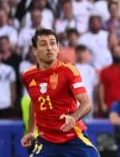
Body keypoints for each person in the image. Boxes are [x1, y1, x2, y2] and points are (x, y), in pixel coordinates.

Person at [20, 28, 99, 157]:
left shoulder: (68, 71)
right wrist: (30, 131)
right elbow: (34, 102)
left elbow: (87, 103)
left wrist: (73, 118)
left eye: (52, 43)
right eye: (43, 44)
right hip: (46, 142)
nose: (49, 48)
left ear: (58, 48)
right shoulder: (28, 76)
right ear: (34, 50)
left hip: (73, 139)